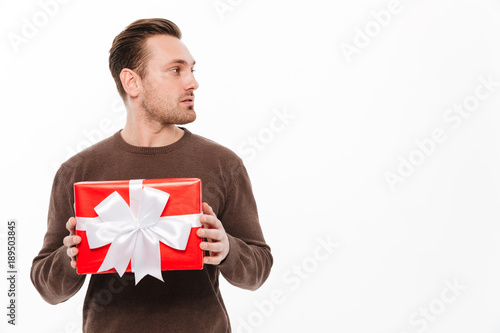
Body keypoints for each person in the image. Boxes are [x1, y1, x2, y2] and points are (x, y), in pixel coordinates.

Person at [30, 18, 273, 333]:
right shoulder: (78, 172)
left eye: (191, 70)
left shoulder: (223, 164)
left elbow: (258, 271)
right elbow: (47, 288)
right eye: (176, 70)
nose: (192, 82)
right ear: (132, 82)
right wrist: (72, 255)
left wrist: (226, 248)